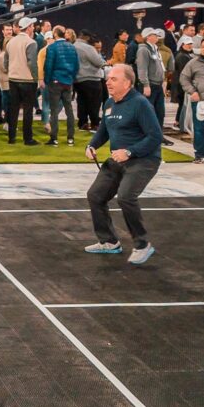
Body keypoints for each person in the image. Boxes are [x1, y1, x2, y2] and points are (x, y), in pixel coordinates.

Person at [83, 65, 161, 265]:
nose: (108, 82)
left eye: (113, 79)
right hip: (117, 160)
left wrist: (129, 152)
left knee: (126, 197)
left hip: (143, 160)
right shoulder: (109, 103)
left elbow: (155, 136)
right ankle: (109, 241)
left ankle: (143, 245)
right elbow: (104, 130)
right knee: (95, 195)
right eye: (108, 79)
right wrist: (92, 145)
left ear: (127, 83)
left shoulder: (140, 104)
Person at [2, 17, 39, 146]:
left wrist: (10, 70)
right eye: (32, 26)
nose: (33, 28)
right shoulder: (31, 43)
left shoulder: (10, 42)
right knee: (28, 110)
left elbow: (5, 61)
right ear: (28, 27)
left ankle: (12, 137)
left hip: (13, 79)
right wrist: (36, 78)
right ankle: (27, 138)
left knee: (13, 109)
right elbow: (32, 63)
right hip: (28, 80)